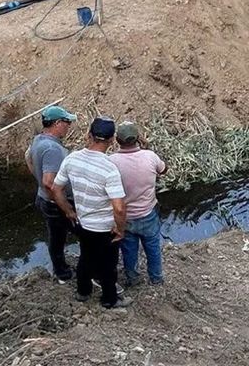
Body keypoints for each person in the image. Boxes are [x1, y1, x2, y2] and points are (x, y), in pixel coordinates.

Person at [51, 117, 131, 309]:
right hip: (104, 227)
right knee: (108, 265)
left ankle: (83, 292)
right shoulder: (110, 169)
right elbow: (119, 207)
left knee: (85, 258)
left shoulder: (72, 159)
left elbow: (55, 189)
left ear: (89, 136)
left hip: (83, 223)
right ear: (111, 141)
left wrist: (69, 211)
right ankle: (109, 299)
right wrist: (120, 229)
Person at [109, 121, 167, 286]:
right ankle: (156, 278)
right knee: (153, 248)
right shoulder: (150, 156)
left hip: (124, 217)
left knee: (129, 251)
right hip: (148, 214)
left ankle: (133, 279)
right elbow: (163, 170)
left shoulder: (111, 161)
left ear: (117, 140)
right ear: (138, 139)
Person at [27, 104, 79, 283]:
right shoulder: (52, 149)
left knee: (56, 236)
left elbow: (28, 158)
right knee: (84, 233)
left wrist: (37, 178)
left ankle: (61, 269)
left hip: (44, 199)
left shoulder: (38, 140)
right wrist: (67, 209)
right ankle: (65, 273)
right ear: (57, 123)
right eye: (66, 122)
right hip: (55, 203)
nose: (68, 126)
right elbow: (50, 182)